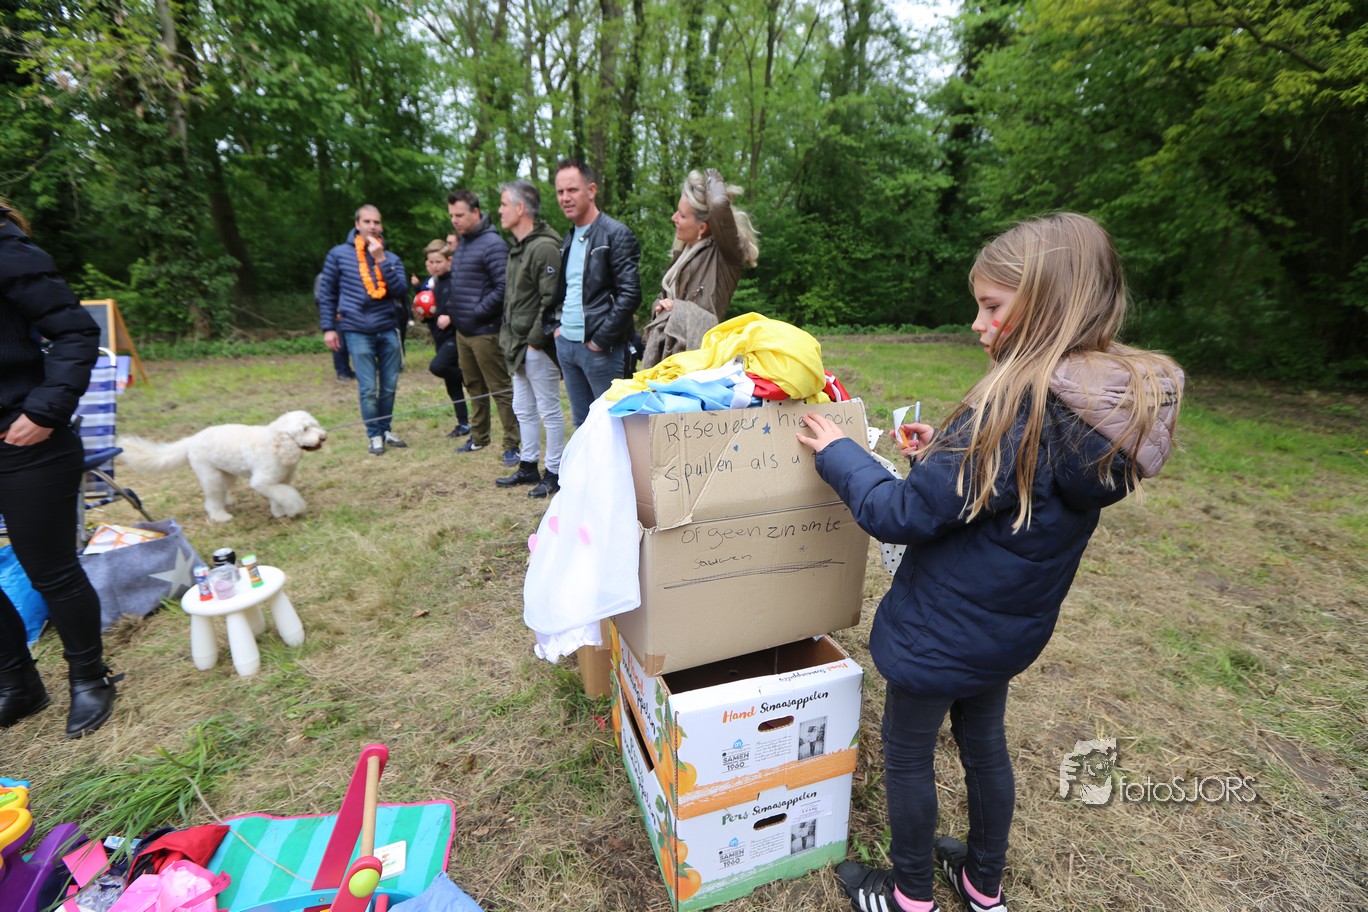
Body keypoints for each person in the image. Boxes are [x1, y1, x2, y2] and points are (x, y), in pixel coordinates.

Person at [795, 213, 1184, 912]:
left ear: (1049, 305)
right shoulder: (1093, 419)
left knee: (908, 754)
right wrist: (938, 455)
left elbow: (899, 513)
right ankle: (982, 883)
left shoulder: (1012, 412)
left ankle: (910, 895)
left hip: (939, 634)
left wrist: (840, 454)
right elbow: (1000, 495)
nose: (977, 323)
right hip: (1004, 632)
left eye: (992, 306)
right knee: (984, 746)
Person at [0, 199, 121, 739]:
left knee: (50, 569)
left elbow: (76, 332)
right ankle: (16, 683)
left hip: (25, 442)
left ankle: (89, 677)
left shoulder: (6, 248)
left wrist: (44, 411)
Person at [547, 158, 642, 428]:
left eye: (572, 190)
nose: (565, 197)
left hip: (601, 350)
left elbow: (631, 294)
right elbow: (564, 291)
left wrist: (600, 341)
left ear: (591, 190)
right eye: (560, 191)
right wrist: (557, 329)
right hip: (567, 345)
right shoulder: (568, 238)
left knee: (611, 427)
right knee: (582, 426)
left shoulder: (616, 234)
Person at [640, 168, 759, 367]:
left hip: (699, 366)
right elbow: (663, 301)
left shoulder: (726, 256)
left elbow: (719, 205)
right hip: (667, 358)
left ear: (702, 227)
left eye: (682, 215)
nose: (674, 218)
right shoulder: (682, 254)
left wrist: (711, 177)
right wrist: (661, 306)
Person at [319, 205, 408, 456]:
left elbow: (400, 291)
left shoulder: (391, 258)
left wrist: (381, 260)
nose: (372, 226)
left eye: (376, 222)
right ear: (357, 224)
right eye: (367, 221)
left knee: (389, 386)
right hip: (356, 328)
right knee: (368, 389)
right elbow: (327, 294)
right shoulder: (338, 254)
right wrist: (328, 328)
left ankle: (385, 429)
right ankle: (374, 435)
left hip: (387, 327)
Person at [495, 180, 565, 498]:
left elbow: (551, 299)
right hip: (517, 344)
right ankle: (528, 465)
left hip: (537, 345)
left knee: (548, 408)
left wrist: (536, 340)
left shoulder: (545, 247)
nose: (500, 210)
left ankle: (555, 472)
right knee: (522, 407)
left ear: (520, 208)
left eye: (504, 204)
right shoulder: (519, 247)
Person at [445, 189, 520, 466]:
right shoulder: (463, 243)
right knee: (474, 386)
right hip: (463, 332)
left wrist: (477, 312)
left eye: (460, 215)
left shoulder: (492, 244)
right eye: (452, 215)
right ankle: (479, 437)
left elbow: (504, 287)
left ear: (475, 213)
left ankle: (513, 444)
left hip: (486, 332)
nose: (455, 220)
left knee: (500, 388)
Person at [416, 240, 470, 437]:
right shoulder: (433, 283)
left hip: (456, 336)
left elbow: (467, 305)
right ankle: (463, 424)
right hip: (439, 337)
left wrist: (451, 317)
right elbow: (433, 312)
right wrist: (423, 316)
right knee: (451, 383)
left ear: (449, 261)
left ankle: (470, 379)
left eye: (438, 261)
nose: (435, 266)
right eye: (431, 262)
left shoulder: (457, 280)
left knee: (438, 366)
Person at [314, 271, 355, 381]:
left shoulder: (345, 275)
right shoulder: (322, 277)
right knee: (339, 345)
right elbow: (320, 298)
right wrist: (334, 313)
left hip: (349, 315)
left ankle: (347, 370)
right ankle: (342, 372)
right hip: (336, 316)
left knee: (350, 344)